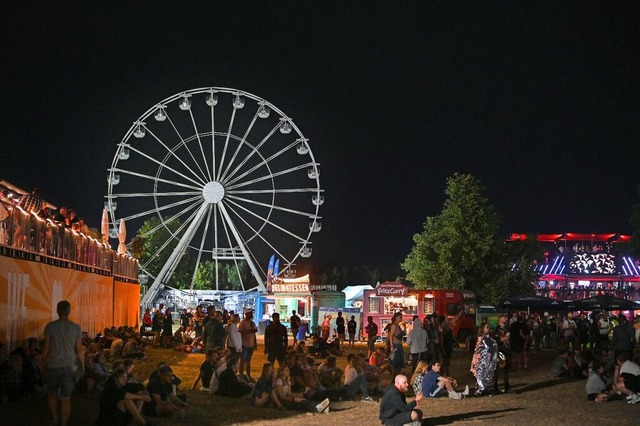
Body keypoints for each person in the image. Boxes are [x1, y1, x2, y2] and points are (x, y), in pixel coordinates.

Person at [42, 300, 84, 426]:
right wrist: (82, 366)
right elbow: (79, 349)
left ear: (57, 310)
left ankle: (54, 417)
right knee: (66, 397)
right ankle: (63, 423)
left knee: (52, 392)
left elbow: (46, 348)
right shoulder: (76, 328)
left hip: (53, 365)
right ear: (69, 311)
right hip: (69, 366)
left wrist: (43, 364)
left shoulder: (50, 327)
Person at [470, 322, 498, 396]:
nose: (489, 329)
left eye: (489, 327)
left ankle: (483, 389)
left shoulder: (489, 338)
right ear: (482, 329)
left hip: (487, 360)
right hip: (480, 360)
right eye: (487, 327)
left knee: (485, 375)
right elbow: (482, 349)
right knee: (480, 375)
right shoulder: (481, 338)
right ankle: (479, 390)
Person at [492, 313, 512, 393]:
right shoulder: (496, 329)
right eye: (504, 317)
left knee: (506, 370)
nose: (506, 319)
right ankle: (495, 387)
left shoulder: (508, 329)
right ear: (500, 319)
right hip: (500, 351)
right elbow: (494, 341)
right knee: (497, 369)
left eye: (506, 317)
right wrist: (501, 340)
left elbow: (509, 338)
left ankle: (507, 386)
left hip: (507, 350)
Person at [238, 308, 258, 379]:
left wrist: (255, 343)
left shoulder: (252, 322)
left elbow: (254, 334)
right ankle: (241, 374)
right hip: (244, 344)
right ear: (246, 314)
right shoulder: (242, 323)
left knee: (248, 360)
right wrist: (250, 331)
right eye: (250, 313)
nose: (251, 314)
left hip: (251, 344)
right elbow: (240, 332)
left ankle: (248, 374)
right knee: (243, 360)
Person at [388, 312, 406, 377]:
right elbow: (391, 336)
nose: (401, 318)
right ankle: (394, 378)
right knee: (396, 364)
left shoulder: (398, 326)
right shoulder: (394, 326)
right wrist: (391, 345)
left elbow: (404, 333)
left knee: (399, 364)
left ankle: (396, 377)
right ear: (396, 317)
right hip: (396, 345)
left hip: (399, 345)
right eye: (400, 317)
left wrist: (405, 326)